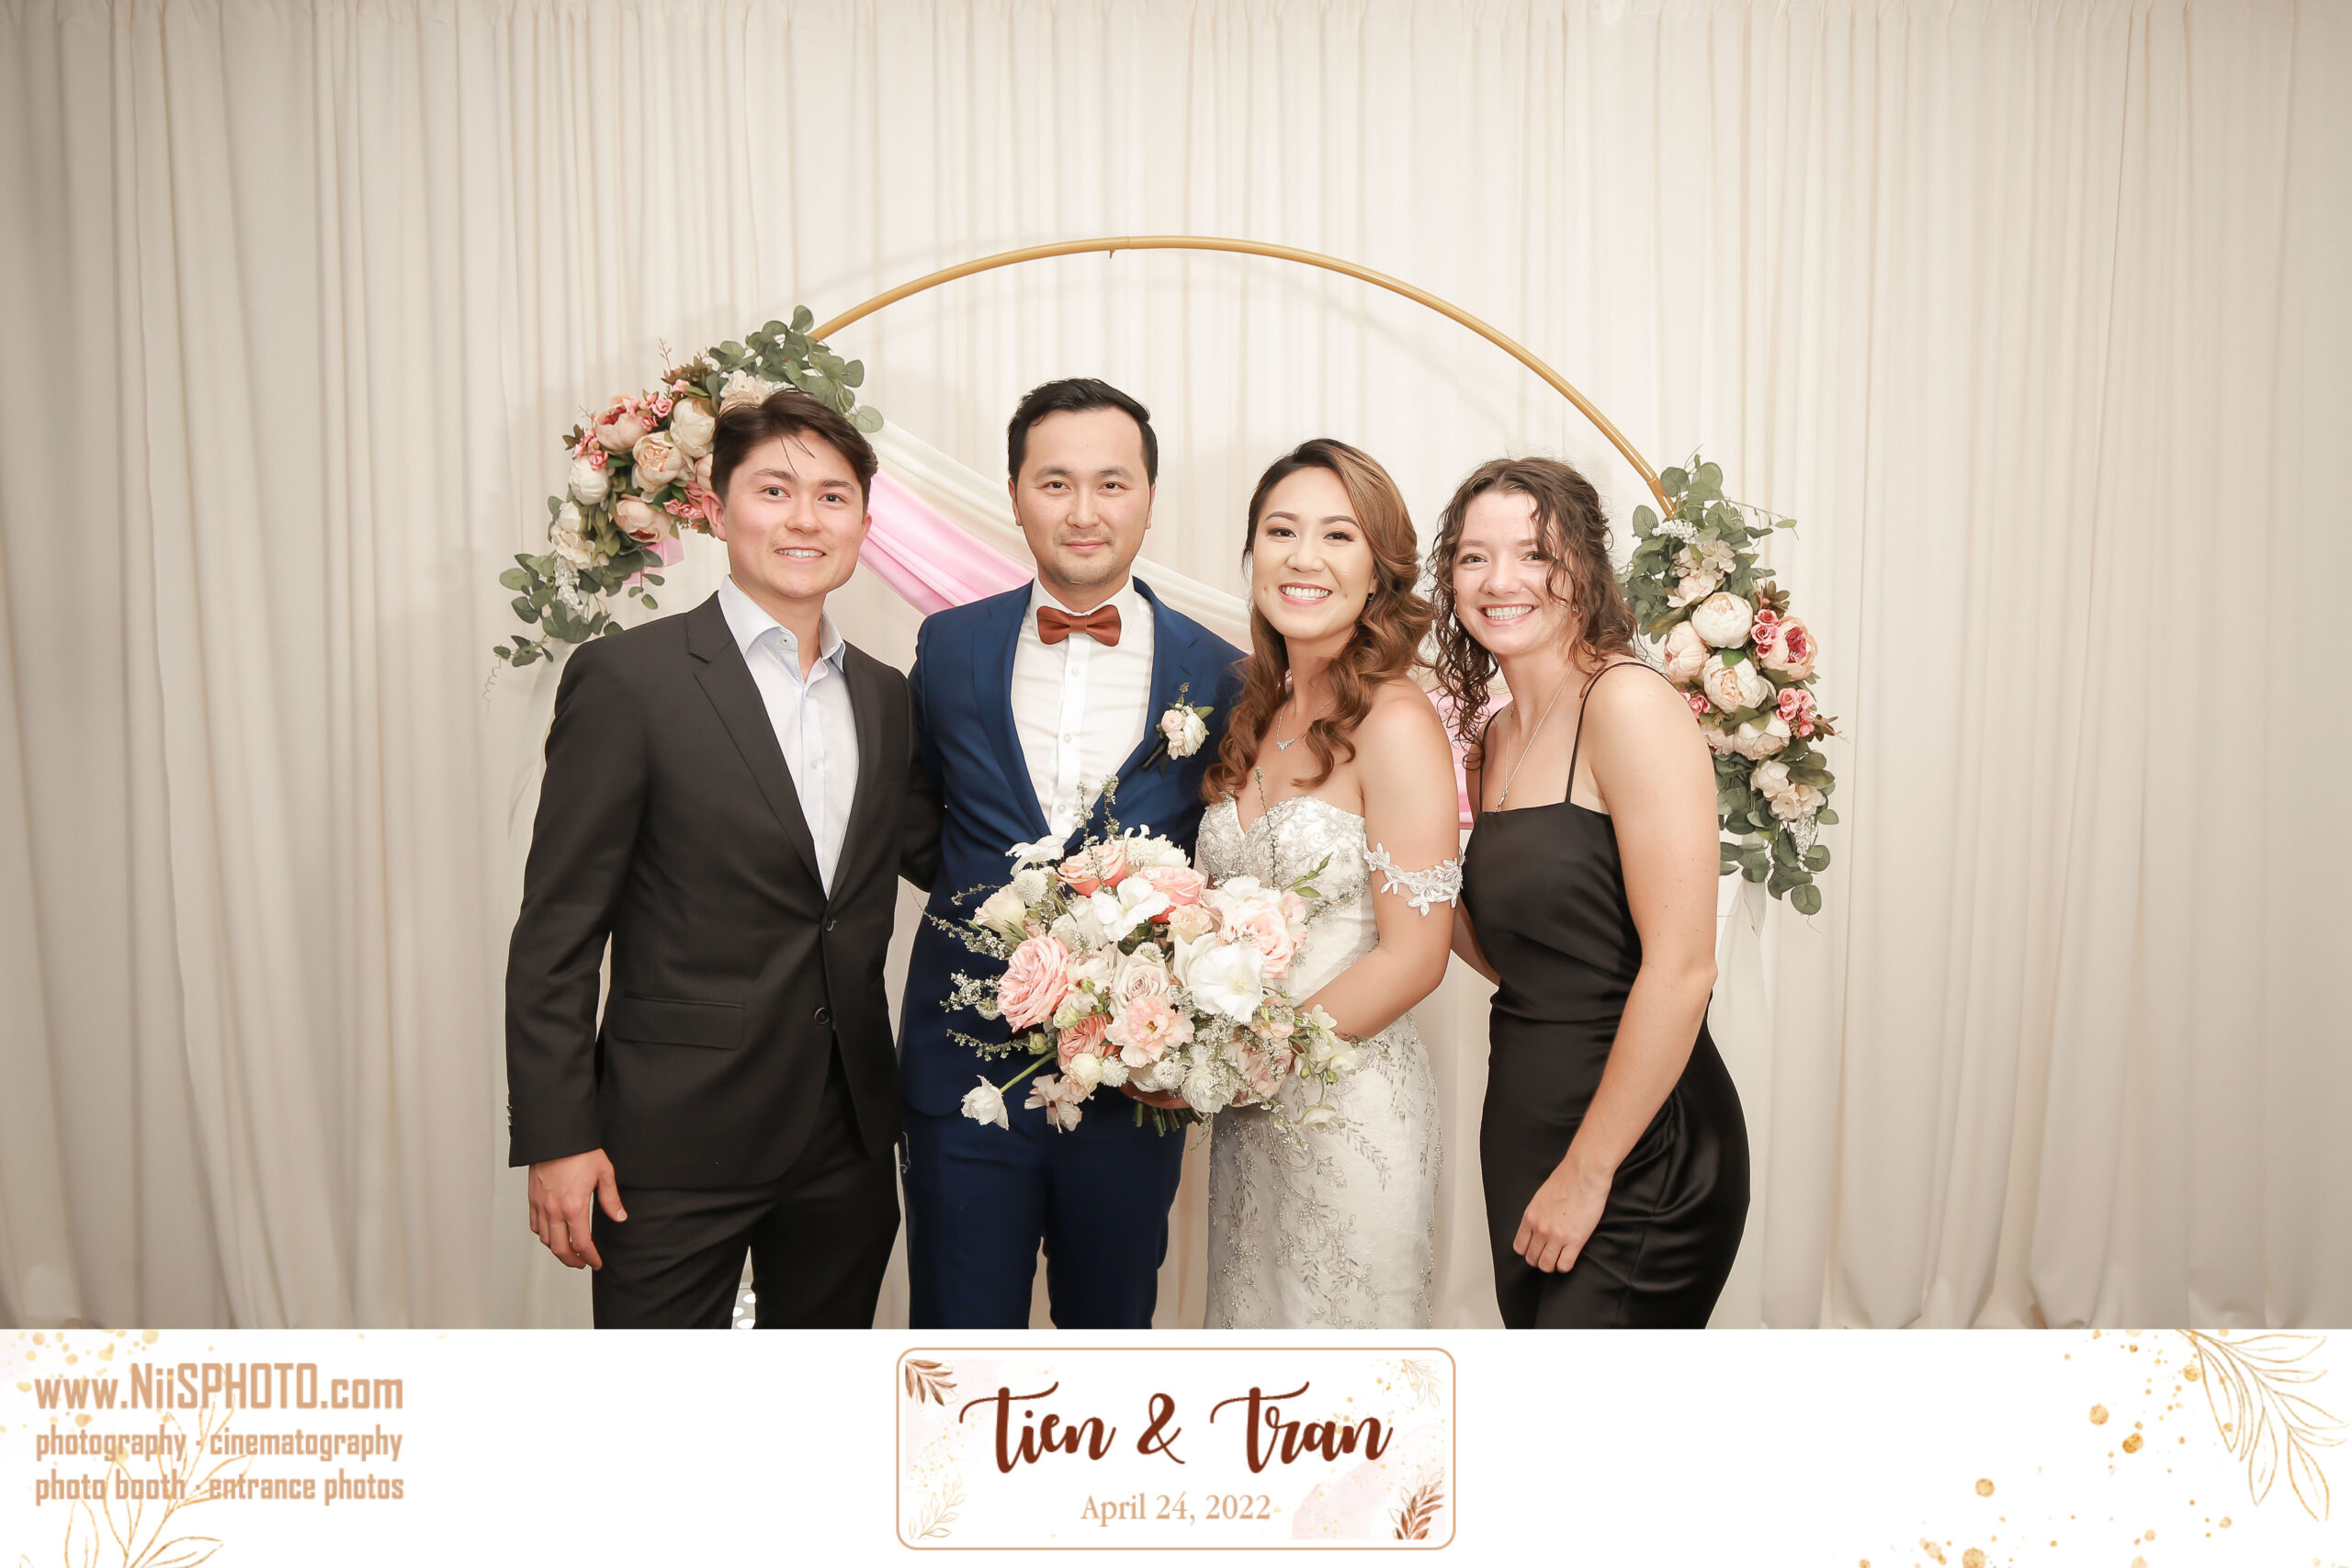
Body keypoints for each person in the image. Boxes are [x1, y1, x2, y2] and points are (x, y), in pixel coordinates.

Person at [505, 387, 941, 1327]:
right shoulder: (629, 680)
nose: (804, 519)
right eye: (774, 490)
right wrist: (558, 1134)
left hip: (847, 1139)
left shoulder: (886, 697)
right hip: (669, 1138)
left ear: (864, 526)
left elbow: (947, 863)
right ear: (716, 508)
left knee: (817, 1402)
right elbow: (558, 930)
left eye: (832, 497)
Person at [898, 378, 1246, 1329]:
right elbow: (918, 819)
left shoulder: (1223, 673)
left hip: (1134, 1077)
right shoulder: (948, 645)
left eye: (1111, 483)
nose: (1083, 512)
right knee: (958, 1344)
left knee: (1111, 1338)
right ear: (1014, 494)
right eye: (1054, 483)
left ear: (1149, 498)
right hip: (960, 1065)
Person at [1434, 457, 1748, 1328]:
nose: (1501, 580)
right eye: (1473, 556)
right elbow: (1525, 957)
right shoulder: (1490, 737)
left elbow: (1684, 969)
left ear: (1586, 568)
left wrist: (1588, 1170)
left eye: (1535, 553)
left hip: (1637, 1144)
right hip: (1524, 1127)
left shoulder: (1629, 702)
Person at [1195, 438, 1461, 1328]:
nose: (1303, 557)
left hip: (1348, 1113)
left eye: (1337, 536)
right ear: (1252, 553)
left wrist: (1250, 1058)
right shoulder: (1255, 709)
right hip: (1247, 1125)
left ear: (1379, 571)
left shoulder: (1397, 720)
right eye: (1281, 531)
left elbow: (1416, 956)